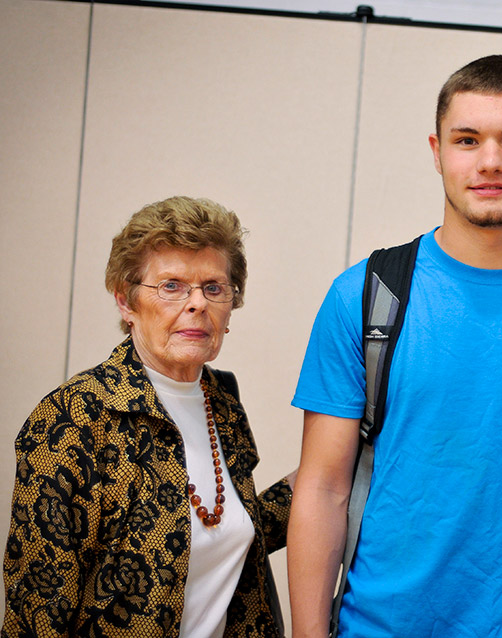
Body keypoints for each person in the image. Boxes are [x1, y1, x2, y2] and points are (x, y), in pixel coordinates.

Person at [287, 54, 502, 638]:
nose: (491, 162)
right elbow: (322, 488)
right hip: (379, 627)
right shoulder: (367, 296)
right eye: (468, 139)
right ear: (437, 151)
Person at [2, 196, 294, 637]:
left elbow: (230, 534)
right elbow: (38, 613)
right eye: (172, 286)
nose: (197, 303)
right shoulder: (74, 418)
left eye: (213, 288)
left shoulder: (223, 404)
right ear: (126, 302)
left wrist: (333, 465)